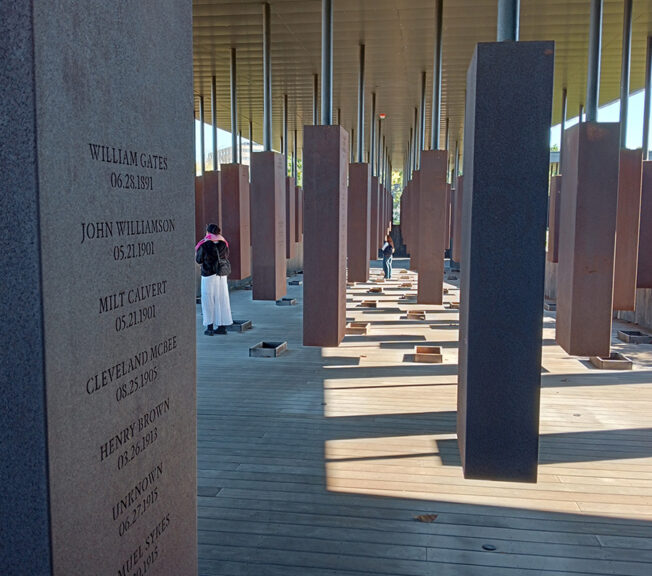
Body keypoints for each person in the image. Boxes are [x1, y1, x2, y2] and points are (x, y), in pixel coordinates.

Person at [195, 224, 233, 335]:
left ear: (208, 232)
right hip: (221, 275)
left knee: (208, 300)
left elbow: (199, 260)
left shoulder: (205, 244)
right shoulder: (223, 243)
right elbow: (226, 255)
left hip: (208, 275)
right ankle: (222, 327)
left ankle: (210, 327)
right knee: (222, 299)